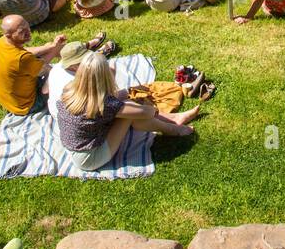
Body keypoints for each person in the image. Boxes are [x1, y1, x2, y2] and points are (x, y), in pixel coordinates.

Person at [56, 51, 199, 172]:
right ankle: (173, 129)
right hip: (90, 158)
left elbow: (104, 98)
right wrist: (147, 106)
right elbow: (146, 113)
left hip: (77, 147)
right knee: (129, 113)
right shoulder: (105, 104)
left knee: (127, 107)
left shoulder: (70, 89)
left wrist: (130, 91)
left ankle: (174, 119)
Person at [0, 15, 65, 116]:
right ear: (8, 35)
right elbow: (44, 66)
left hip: (8, 100)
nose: (28, 32)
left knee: (49, 48)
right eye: (22, 31)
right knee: (59, 74)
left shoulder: (2, 42)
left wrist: (51, 46)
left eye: (27, 27)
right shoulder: (22, 59)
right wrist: (56, 48)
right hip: (27, 105)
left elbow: (27, 51)